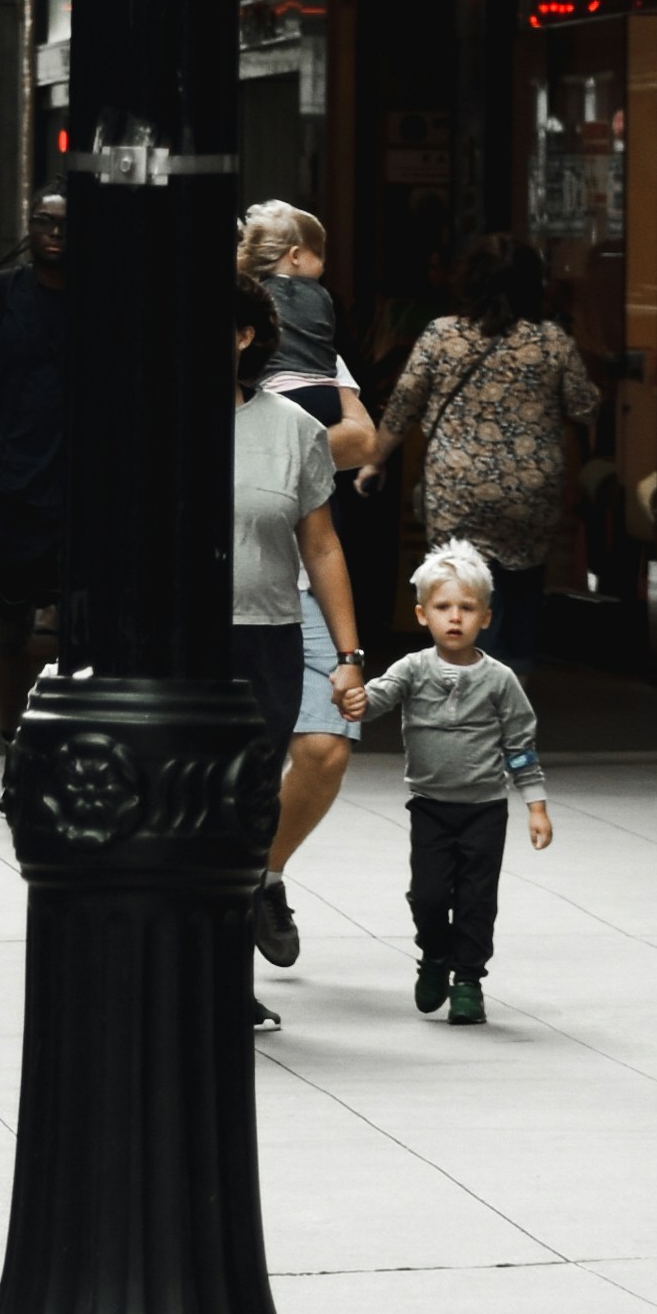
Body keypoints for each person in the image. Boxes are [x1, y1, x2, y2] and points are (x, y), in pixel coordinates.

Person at [335, 537, 554, 1026]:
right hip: (430, 807)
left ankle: (469, 982)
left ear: (486, 618)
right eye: (443, 607)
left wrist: (535, 805)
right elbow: (378, 697)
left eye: (466, 608)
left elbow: (520, 745)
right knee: (429, 897)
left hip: (484, 809)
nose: (454, 617)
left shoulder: (500, 681)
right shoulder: (413, 669)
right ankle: (435, 955)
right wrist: (355, 701)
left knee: (477, 899)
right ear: (421, 615)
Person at [240, 199, 378, 966]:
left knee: (323, 747)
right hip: (240, 578)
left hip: (298, 577)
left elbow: (362, 435)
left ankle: (266, 870)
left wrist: (279, 449)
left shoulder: (311, 343)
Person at [370, 237, 601, 670]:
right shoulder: (551, 341)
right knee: (524, 586)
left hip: (457, 492)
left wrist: (375, 460)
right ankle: (514, 692)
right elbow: (585, 406)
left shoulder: (443, 335)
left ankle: (473, 684)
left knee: (463, 590)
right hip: (529, 495)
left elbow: (403, 406)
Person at [0, 187, 72, 725]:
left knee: (84, 629)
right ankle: (12, 737)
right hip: (14, 486)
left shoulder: (108, 301)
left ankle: (70, 737)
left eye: (64, 224)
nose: (53, 232)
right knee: (11, 625)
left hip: (83, 492)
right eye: (43, 221)